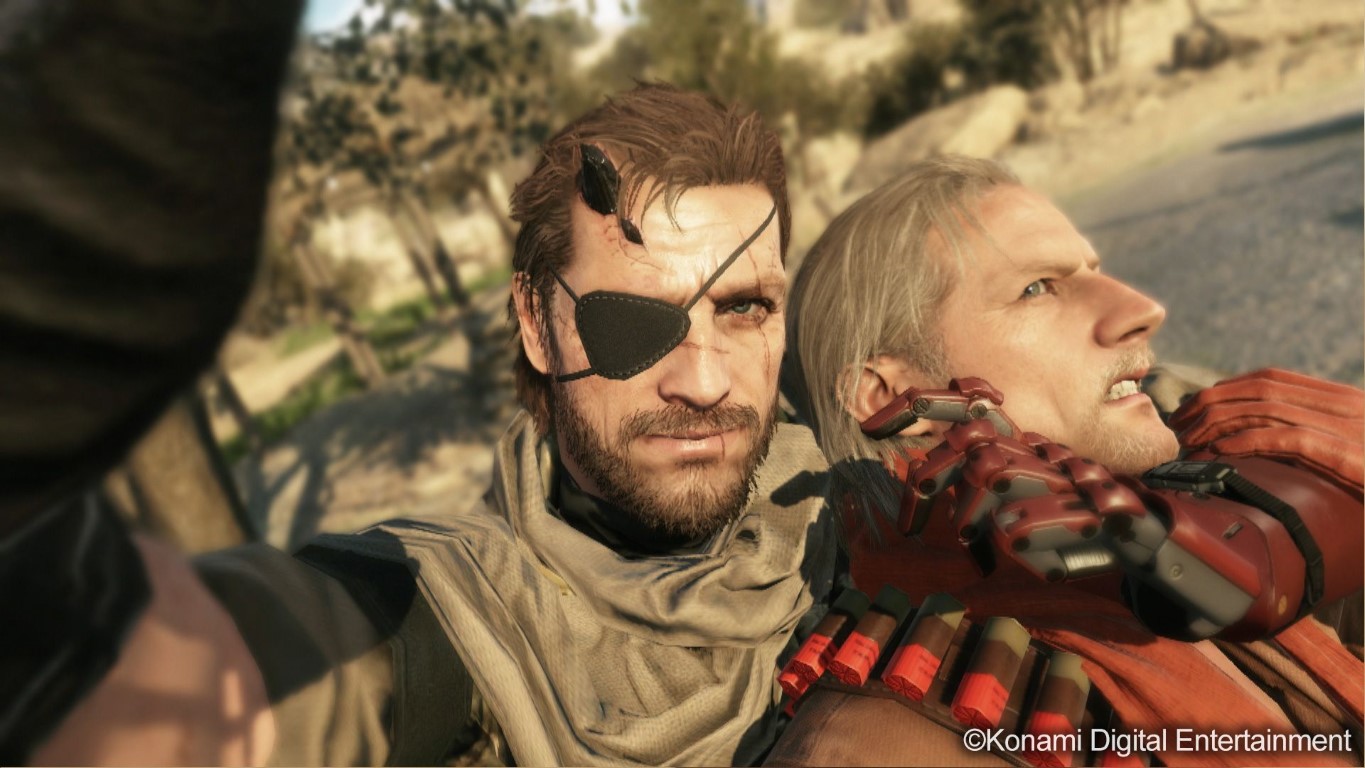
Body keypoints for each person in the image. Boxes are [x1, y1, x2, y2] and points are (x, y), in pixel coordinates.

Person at [0, 4, 838, 764]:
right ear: (536, 322)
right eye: (631, 322)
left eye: (744, 309)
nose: (703, 380)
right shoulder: (449, 612)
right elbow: (219, 676)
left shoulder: (850, 504)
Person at [772, 155, 1363, 766]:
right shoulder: (874, 742)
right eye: (1036, 288)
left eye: (1093, 271)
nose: (1141, 310)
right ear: (888, 394)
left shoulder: (1160, 518)